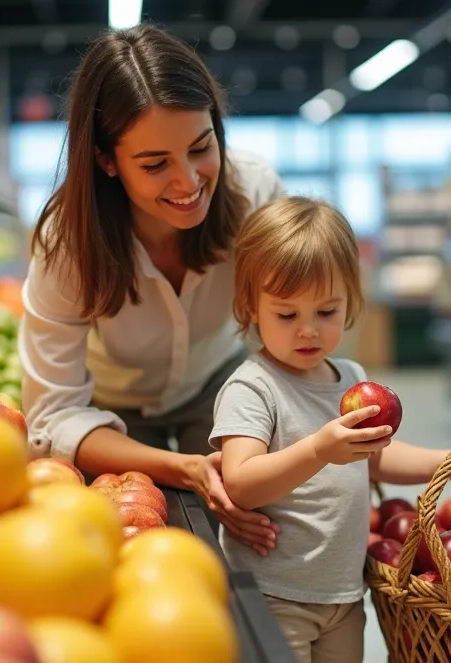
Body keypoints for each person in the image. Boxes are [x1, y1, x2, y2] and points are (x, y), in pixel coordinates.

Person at [19, 24, 285, 554]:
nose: (187, 182)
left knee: (242, 542)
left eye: (200, 147)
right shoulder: (66, 244)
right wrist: (177, 467)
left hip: (219, 385)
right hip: (110, 411)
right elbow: (52, 416)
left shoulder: (254, 194)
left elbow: (296, 321)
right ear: (106, 161)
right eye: (155, 164)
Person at [210, 197, 451, 663]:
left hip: (345, 596)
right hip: (273, 593)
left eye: (327, 311)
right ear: (250, 306)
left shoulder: (350, 378)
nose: (308, 331)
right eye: (287, 315)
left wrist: (448, 462)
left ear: (351, 300)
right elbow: (241, 481)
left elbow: (377, 456)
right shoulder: (252, 387)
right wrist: (320, 449)